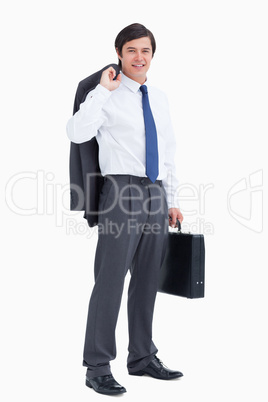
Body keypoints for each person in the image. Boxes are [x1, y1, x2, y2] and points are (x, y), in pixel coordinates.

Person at [66, 23, 184, 396]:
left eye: (145, 50)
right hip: (120, 192)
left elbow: (168, 153)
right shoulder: (105, 92)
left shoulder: (159, 97)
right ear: (119, 53)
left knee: (149, 277)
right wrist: (102, 91)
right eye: (131, 50)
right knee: (111, 279)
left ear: (152, 55)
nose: (139, 57)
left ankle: (142, 357)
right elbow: (76, 132)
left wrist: (173, 200)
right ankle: (97, 366)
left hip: (155, 194)